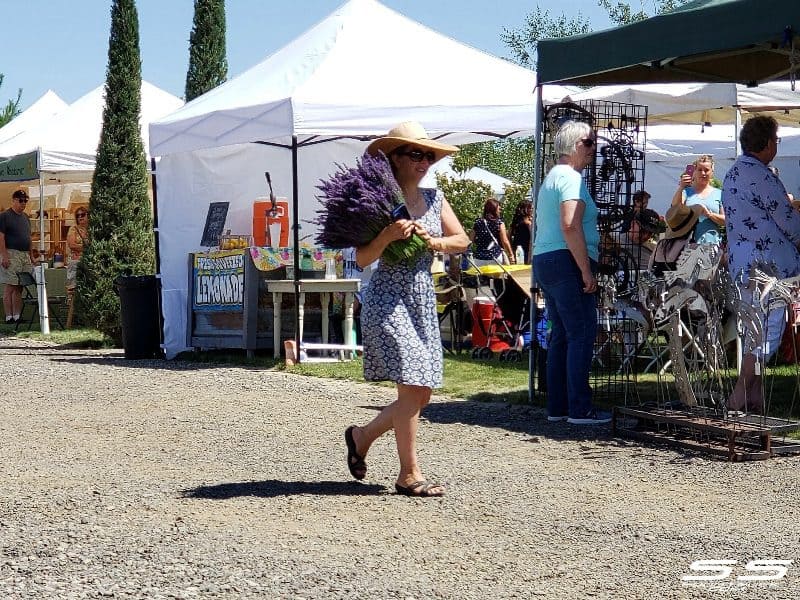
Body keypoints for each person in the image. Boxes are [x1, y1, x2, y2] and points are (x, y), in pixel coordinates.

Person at [344, 121, 470, 497]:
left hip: (420, 299)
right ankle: (408, 474)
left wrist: (435, 241)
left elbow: (461, 239)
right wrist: (388, 235)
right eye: (416, 153)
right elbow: (363, 259)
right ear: (394, 157)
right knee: (413, 385)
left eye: (428, 155)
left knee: (420, 393)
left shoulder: (435, 199)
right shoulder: (377, 201)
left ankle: (361, 436)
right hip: (387, 300)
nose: (424, 161)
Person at [532, 120, 610, 425]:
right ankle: (580, 408)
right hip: (566, 261)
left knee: (562, 335)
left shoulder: (553, 176)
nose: (594, 149)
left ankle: (559, 406)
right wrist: (585, 271)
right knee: (581, 333)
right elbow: (569, 224)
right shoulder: (570, 179)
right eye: (590, 143)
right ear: (575, 145)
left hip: (546, 259)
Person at [724, 115, 800, 413]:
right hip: (770, 271)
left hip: (744, 266)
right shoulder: (763, 176)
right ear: (768, 143)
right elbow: (788, 223)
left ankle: (754, 397)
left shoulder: (733, 173)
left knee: (753, 333)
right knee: (765, 336)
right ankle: (740, 394)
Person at [671, 154, 724, 245]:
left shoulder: (719, 194)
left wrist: (709, 214)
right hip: (687, 244)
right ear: (694, 172)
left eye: (706, 170)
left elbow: (725, 220)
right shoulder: (685, 192)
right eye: (699, 170)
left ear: (712, 172)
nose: (703, 173)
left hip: (712, 244)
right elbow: (675, 208)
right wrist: (681, 187)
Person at [0, 189, 34, 324]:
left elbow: (29, 238)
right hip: (11, 252)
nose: (23, 203)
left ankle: (17, 315)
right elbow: (1, 237)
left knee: (20, 285)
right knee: (11, 285)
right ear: (14, 200)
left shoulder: (25, 217)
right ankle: (9, 316)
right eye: (21, 200)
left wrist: (32, 256)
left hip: (24, 254)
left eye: (25, 200)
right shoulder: (5, 216)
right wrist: (4, 255)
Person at [649, 204, 703, 276]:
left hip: (658, 285)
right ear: (694, 225)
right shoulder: (693, 248)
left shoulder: (660, 244)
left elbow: (650, 269)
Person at [470, 197, 514, 266]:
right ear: (494, 209)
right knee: (497, 277)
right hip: (495, 257)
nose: (500, 211)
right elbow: (504, 241)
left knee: (482, 276)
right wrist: (511, 255)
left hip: (479, 258)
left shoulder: (478, 222)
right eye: (499, 209)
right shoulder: (499, 222)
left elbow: (470, 240)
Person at [66, 208, 89, 291]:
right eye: (77, 215)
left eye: (82, 214)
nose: (80, 217)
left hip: (88, 262)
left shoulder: (91, 229)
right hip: (75, 262)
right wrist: (87, 248)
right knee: (73, 288)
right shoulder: (73, 229)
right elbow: (72, 245)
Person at [509, 200, 532, 264]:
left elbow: (509, 235)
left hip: (516, 248)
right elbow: (532, 237)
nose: (531, 210)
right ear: (525, 209)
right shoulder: (528, 222)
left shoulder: (516, 221)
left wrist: (511, 247)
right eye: (529, 208)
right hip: (527, 249)